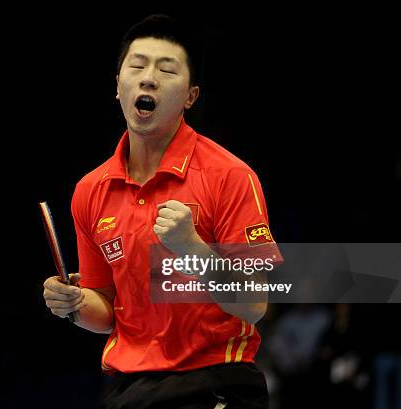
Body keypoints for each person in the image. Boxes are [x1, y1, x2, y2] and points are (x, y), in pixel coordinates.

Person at [43, 14, 283, 409]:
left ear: (191, 95)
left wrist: (192, 246)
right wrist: (73, 305)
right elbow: (105, 308)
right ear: (117, 87)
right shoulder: (91, 190)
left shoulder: (230, 176)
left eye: (166, 69)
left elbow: (255, 304)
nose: (148, 78)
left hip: (214, 384)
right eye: (136, 66)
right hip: (129, 389)